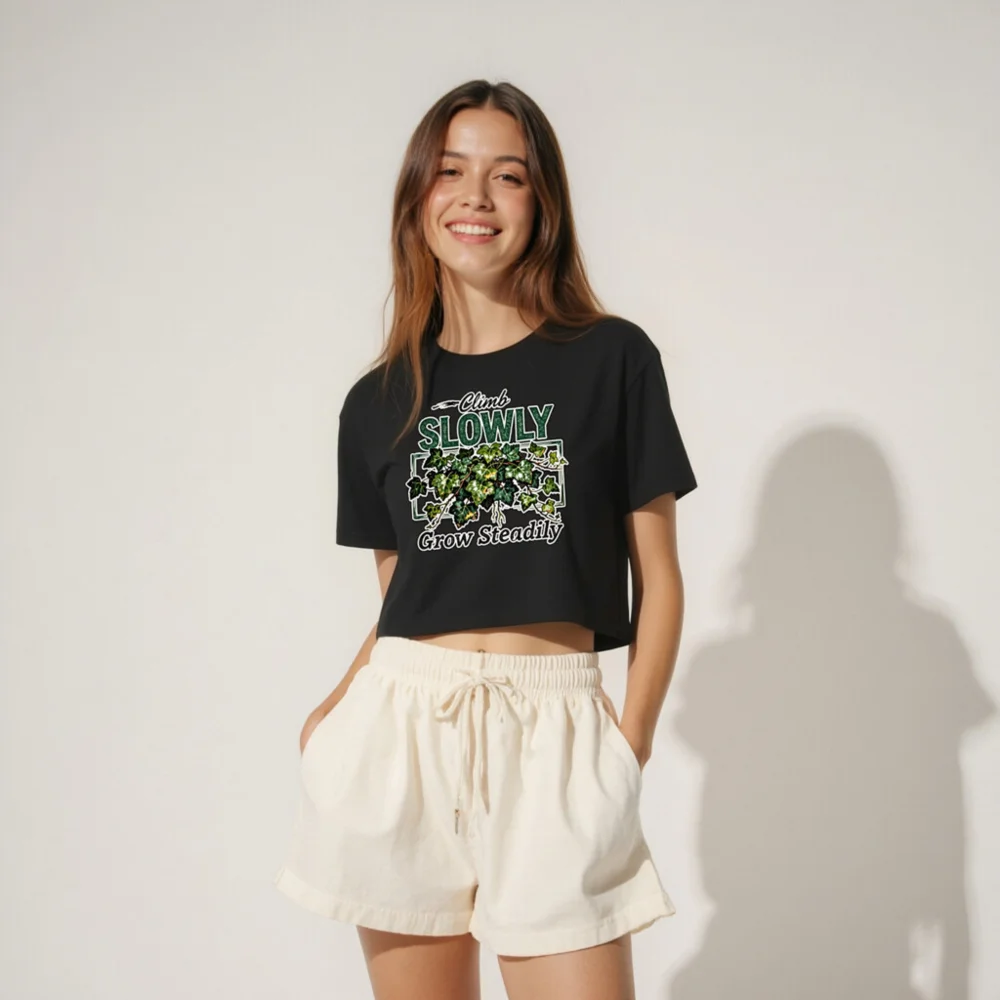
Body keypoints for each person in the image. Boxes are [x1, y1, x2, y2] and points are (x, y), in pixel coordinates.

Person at [273, 78, 697, 1000]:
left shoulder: (613, 359)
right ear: (416, 198)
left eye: (507, 175)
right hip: (402, 731)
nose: (476, 197)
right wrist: (332, 715)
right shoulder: (377, 399)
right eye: (450, 172)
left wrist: (627, 747)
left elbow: (659, 579)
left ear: (542, 204)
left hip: (556, 735)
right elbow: (405, 597)